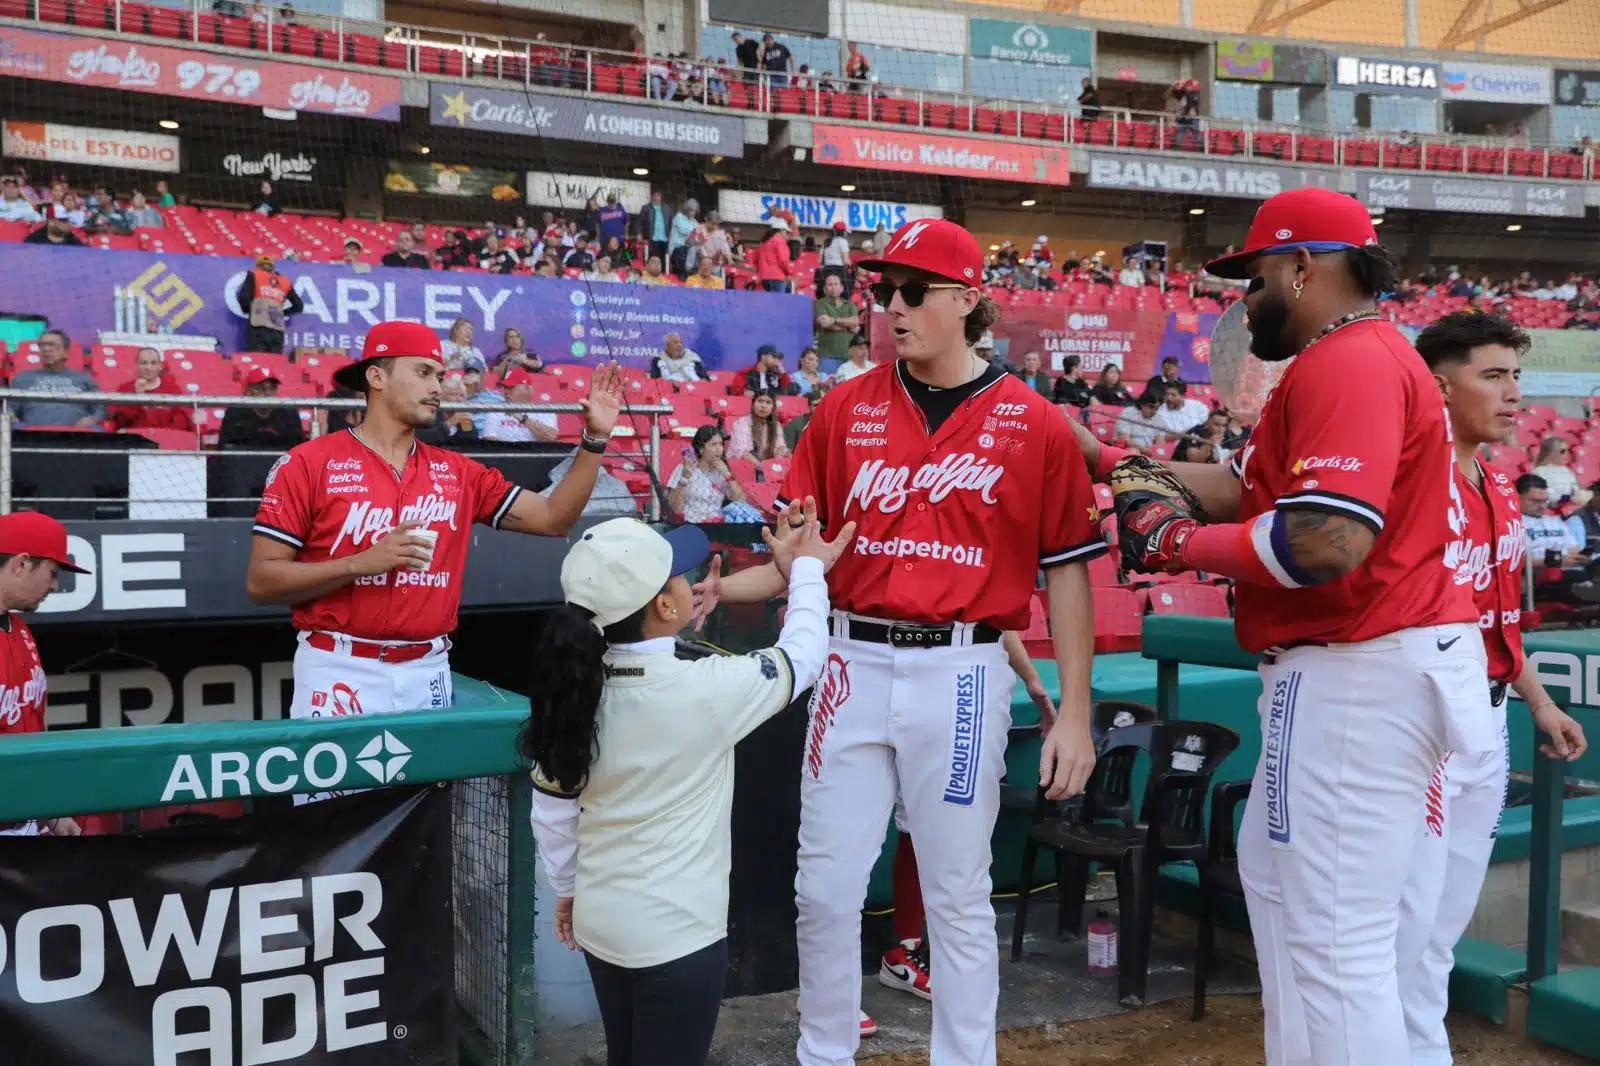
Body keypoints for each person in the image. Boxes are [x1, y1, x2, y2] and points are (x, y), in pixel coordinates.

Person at [1076, 188, 1492, 1066]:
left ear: (1304, 267)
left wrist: (1179, 542)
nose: (1247, 296)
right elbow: (1247, 489)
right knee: (1286, 899)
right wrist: (1116, 463)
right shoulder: (1342, 359)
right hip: (1350, 671)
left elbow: (1329, 538)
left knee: (1338, 945)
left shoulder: (1352, 362)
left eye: (1257, 274)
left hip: (1360, 671)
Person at [693, 217, 1103, 1066]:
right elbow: (800, 556)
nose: (891, 308)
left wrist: (1074, 713)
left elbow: (1067, 569)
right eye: (885, 292)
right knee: (825, 890)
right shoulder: (844, 409)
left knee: (957, 894)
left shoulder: (1035, 423)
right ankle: (823, 1053)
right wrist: (727, 584)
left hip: (961, 666)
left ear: (966, 299)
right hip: (849, 660)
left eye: (912, 291)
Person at [524, 509, 849, 1066]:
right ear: (665, 607)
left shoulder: (572, 691)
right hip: (677, 941)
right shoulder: (705, 691)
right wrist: (810, 573)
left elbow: (551, 815)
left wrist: (570, 888)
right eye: (677, 575)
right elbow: (804, 656)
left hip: (600, 922)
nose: (688, 578)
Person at [246, 322, 622, 800]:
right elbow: (261, 581)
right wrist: (359, 562)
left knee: (425, 836)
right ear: (376, 378)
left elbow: (552, 518)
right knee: (333, 839)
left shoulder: (457, 471)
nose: (438, 387)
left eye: (441, 375)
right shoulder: (307, 463)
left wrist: (593, 441)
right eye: (424, 372)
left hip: (429, 672)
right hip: (339, 671)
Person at [1394, 312, 1588, 1066]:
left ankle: (1420, 1052)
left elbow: (1498, 624)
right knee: (1406, 926)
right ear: (1439, 385)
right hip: (1432, 724)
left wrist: (1540, 703)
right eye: (1493, 375)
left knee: (1442, 930)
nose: (1514, 395)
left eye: (1517, 377)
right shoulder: (1411, 475)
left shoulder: (1501, 484)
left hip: (1493, 714)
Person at [0, 511, 89, 839]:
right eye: (52, 572)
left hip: (24, 823)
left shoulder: (19, 629)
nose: (55, 585)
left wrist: (48, 811)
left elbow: (31, 724)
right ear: (21, 564)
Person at [10, 330, 103, 429]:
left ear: (66, 352)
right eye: (42, 345)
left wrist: (91, 420)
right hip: (31, 436)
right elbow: (9, 409)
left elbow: (101, 409)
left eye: (52, 345)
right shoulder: (22, 378)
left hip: (77, 436)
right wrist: (9, 416)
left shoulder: (84, 379)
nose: (46, 349)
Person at [668, 426, 759, 523]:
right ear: (701, 448)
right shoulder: (684, 469)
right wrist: (684, 479)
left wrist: (727, 475)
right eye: (714, 444)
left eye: (720, 444)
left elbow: (741, 502)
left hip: (716, 525)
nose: (719, 449)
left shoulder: (722, 473)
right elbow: (674, 508)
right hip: (691, 523)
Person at [108, 347, 193, 433]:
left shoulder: (172, 389)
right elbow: (119, 422)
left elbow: (182, 421)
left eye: (153, 363)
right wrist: (138, 397)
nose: (148, 367)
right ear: (136, 365)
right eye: (143, 363)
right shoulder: (125, 389)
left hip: (165, 440)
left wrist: (163, 434)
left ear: (160, 366)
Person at [218, 366, 306, 449]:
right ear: (249, 391)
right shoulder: (235, 412)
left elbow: (299, 447)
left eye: (272, 388)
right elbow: (225, 448)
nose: (268, 393)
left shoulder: (289, 413)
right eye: (261, 388)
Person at [235, 255, 303, 354]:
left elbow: (244, 298)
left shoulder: (254, 275)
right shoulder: (285, 282)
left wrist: (249, 310)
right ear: (273, 267)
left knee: (256, 361)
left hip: (258, 326)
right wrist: (282, 312)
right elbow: (299, 306)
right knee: (274, 363)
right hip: (277, 329)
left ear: (258, 266)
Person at [482, 366, 559, 442]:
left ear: (528, 389)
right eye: (505, 388)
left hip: (535, 453)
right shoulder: (495, 411)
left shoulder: (544, 410)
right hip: (505, 453)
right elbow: (490, 441)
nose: (505, 392)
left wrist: (523, 419)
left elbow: (551, 436)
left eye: (510, 388)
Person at [415, 370, 479, 446]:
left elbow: (472, 441)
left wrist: (469, 425)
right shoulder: (429, 413)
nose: (458, 399)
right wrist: (449, 424)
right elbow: (422, 439)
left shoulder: (463, 415)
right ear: (441, 397)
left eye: (461, 396)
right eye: (454, 395)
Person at [727, 392, 790, 461]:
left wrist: (780, 452)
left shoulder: (776, 425)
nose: (763, 406)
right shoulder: (742, 423)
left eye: (768, 402)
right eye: (760, 401)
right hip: (744, 466)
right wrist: (763, 468)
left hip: (766, 466)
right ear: (752, 405)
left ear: (773, 408)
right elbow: (742, 453)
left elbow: (780, 447)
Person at [1530, 436, 1590, 507]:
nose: (1567, 454)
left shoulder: (1567, 471)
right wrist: (1568, 498)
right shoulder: (1538, 472)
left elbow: (1576, 491)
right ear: (1550, 453)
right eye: (1563, 451)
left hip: (1571, 510)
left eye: (1568, 451)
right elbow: (1545, 494)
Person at [813, 273, 859, 362]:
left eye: (836, 284)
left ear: (841, 288)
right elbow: (825, 324)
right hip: (827, 355)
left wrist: (834, 320)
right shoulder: (820, 304)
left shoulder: (850, 305)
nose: (833, 287)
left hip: (849, 355)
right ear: (825, 289)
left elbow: (855, 321)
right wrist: (848, 327)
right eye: (830, 284)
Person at [755, 219, 794, 293]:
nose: (786, 233)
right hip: (777, 278)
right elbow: (783, 261)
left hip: (765, 278)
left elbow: (758, 260)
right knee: (778, 303)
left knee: (770, 303)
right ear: (781, 230)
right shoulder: (780, 242)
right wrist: (790, 272)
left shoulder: (766, 243)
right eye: (786, 231)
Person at [668, 199, 700, 277]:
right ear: (687, 209)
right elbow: (685, 231)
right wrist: (696, 234)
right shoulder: (679, 217)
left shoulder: (695, 222)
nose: (692, 213)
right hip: (677, 247)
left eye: (694, 211)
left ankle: (693, 273)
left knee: (699, 250)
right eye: (691, 210)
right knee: (683, 252)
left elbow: (699, 234)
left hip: (688, 248)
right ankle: (685, 274)